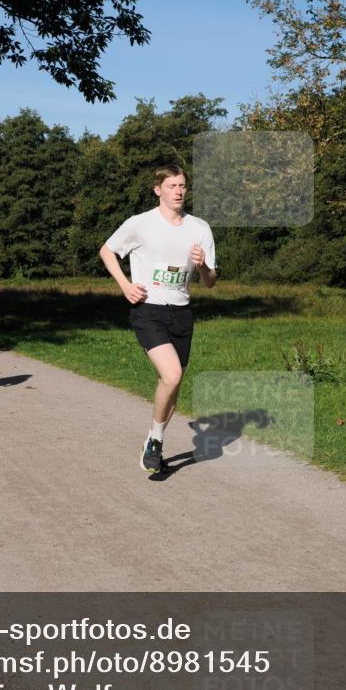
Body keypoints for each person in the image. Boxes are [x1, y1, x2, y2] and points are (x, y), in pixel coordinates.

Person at [99, 165, 217, 474]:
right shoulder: (140, 224)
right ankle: (154, 442)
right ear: (158, 190)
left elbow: (210, 282)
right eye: (172, 186)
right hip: (149, 310)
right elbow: (107, 251)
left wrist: (203, 266)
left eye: (182, 186)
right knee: (173, 375)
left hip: (182, 313)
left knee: (172, 384)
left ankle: (155, 439)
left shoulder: (200, 228)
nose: (178, 191)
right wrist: (125, 285)